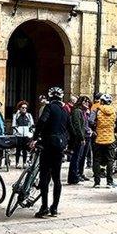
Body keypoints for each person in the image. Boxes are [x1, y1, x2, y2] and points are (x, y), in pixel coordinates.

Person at [30, 87, 69, 218]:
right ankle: (55, 208)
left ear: (50, 97)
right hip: (59, 146)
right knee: (57, 177)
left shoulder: (49, 107)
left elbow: (42, 121)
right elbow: (70, 128)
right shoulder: (65, 111)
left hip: (48, 145)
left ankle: (44, 207)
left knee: (44, 176)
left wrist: (35, 138)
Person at [91, 93, 117, 188]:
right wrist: (113, 131)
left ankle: (97, 182)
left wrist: (95, 129)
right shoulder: (114, 111)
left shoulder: (96, 110)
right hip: (110, 139)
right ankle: (109, 182)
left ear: (101, 101)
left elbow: (90, 121)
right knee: (110, 160)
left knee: (96, 159)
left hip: (98, 138)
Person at [68, 96, 90, 184]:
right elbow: (77, 125)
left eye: (88, 101)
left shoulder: (82, 112)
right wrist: (81, 137)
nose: (87, 103)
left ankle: (77, 175)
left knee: (79, 157)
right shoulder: (77, 111)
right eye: (85, 101)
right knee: (76, 157)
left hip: (82, 137)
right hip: (78, 138)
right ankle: (73, 177)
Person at [13, 101, 34, 168]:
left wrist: (31, 133)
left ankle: (24, 163)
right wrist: (16, 132)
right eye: (23, 107)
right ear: (19, 108)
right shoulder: (16, 115)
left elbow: (31, 125)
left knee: (25, 150)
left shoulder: (29, 115)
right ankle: (17, 163)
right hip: (19, 135)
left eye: (25, 108)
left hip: (26, 135)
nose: (24, 109)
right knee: (18, 150)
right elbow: (14, 125)